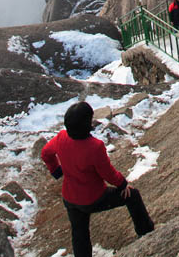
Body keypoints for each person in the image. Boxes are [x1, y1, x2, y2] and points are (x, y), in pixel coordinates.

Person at [41, 101, 154, 257]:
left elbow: (46, 153)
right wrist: (123, 185)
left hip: (70, 198)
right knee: (133, 196)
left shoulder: (61, 137)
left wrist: (56, 170)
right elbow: (107, 173)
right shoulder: (94, 146)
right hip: (93, 198)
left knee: (79, 233)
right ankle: (147, 232)